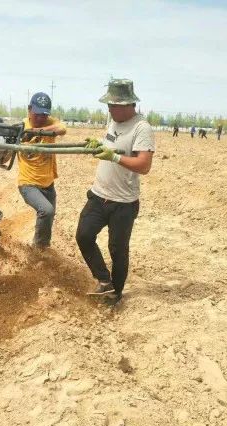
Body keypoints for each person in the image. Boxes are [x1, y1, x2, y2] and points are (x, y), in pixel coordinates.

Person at [77, 79, 154, 306]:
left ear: (127, 104)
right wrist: (99, 144)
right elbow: (111, 143)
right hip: (99, 194)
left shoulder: (142, 128)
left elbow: (144, 165)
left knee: (117, 249)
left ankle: (115, 293)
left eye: (112, 105)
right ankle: (103, 279)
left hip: (123, 202)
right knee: (84, 235)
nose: (108, 109)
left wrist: (114, 157)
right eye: (108, 105)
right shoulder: (113, 121)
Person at [17, 92, 67, 248]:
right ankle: (38, 249)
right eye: (37, 114)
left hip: (48, 184)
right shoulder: (21, 127)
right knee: (47, 211)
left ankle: (43, 250)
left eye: (44, 115)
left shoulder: (50, 122)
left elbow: (63, 128)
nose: (40, 118)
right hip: (28, 183)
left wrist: (38, 131)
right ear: (29, 109)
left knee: (49, 217)